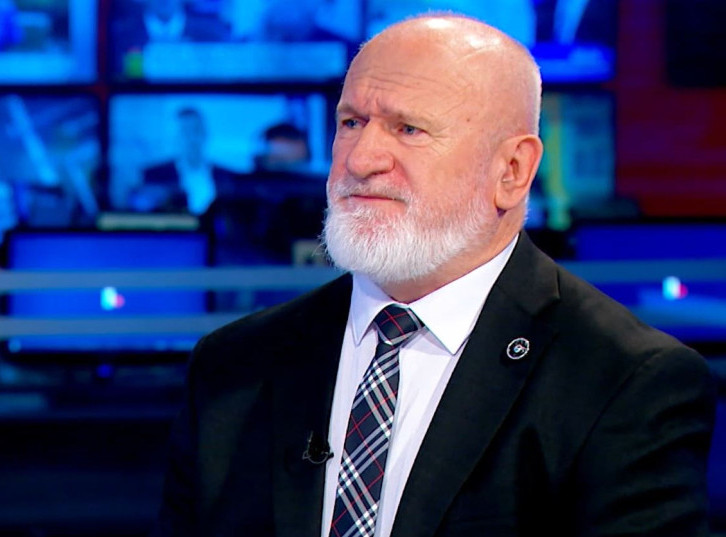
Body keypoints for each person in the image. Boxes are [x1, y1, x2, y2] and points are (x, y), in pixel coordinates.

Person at [153, 15, 716, 537]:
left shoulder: (623, 381)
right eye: (351, 122)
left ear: (512, 170)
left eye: (409, 129)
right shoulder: (233, 366)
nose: (360, 159)